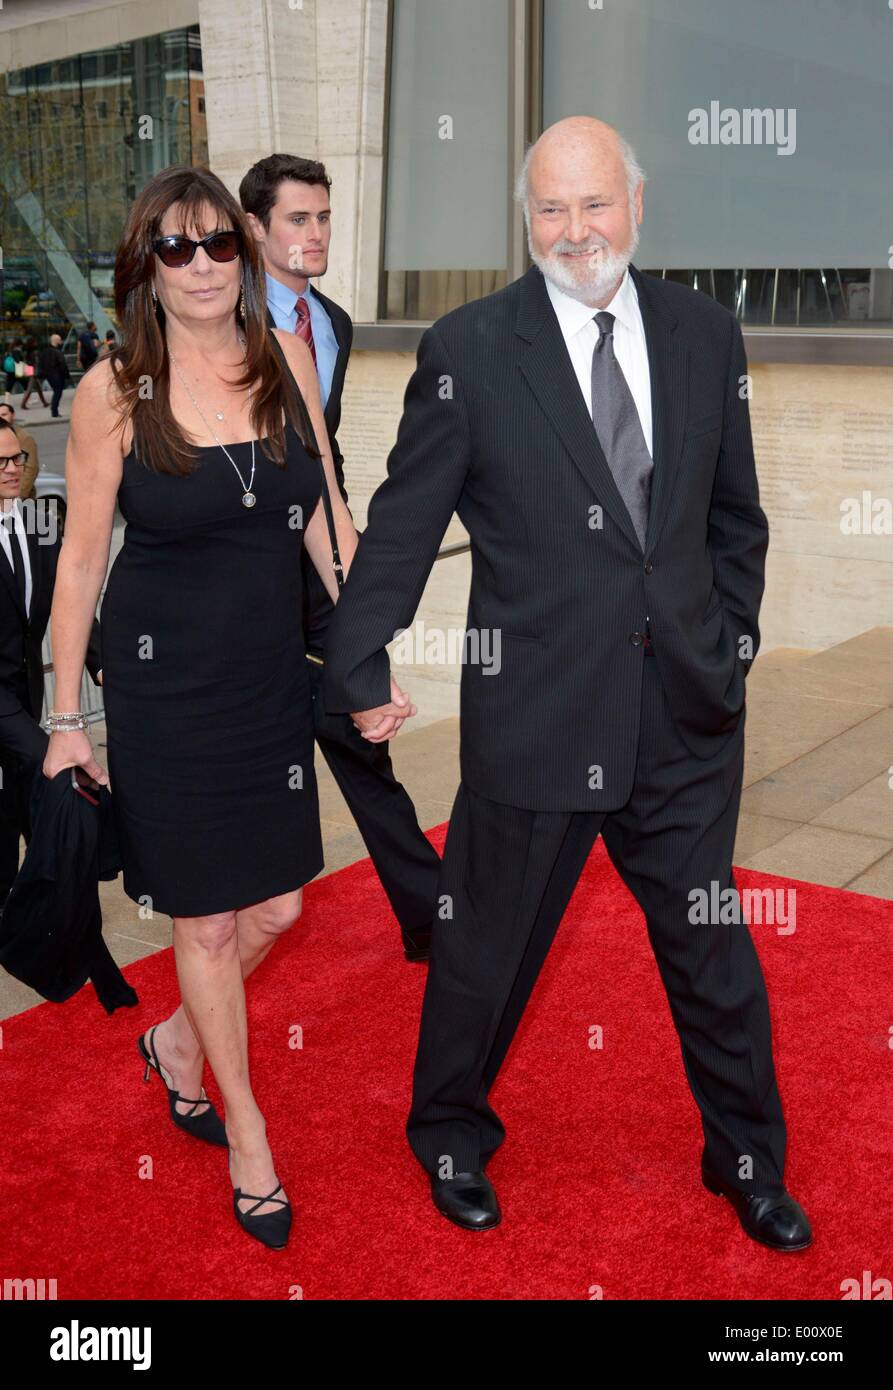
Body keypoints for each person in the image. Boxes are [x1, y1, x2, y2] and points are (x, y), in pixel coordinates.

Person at [322, 117, 813, 1251]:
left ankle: (745, 1161)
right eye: (550, 208)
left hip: (683, 718)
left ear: (636, 206)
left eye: (594, 204)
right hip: (538, 718)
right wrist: (358, 658)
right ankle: (448, 1131)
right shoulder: (470, 347)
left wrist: (725, 644)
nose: (574, 229)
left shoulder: (704, 334)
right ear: (525, 218)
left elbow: (733, 520)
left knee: (712, 954)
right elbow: (400, 531)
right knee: (484, 948)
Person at [41, 164, 403, 1250]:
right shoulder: (113, 391)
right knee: (203, 918)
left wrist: (365, 661)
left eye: (217, 246)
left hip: (263, 680)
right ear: (144, 268)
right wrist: (66, 718)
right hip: (162, 689)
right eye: (175, 248)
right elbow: (78, 565)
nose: (201, 266)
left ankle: (180, 1046)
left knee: (281, 909)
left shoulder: (286, 357)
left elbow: (329, 524)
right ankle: (245, 1128)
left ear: (243, 255)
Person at [240, 152, 439, 963]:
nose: (316, 233)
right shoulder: (219, 319)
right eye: (298, 218)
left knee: (362, 740)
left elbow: (323, 460)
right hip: (243, 576)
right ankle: (237, 915)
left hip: (320, 559)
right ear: (254, 228)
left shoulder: (333, 323)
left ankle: (430, 916)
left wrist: (350, 574)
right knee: (259, 759)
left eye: (323, 217)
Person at [0, 417, 102, 907]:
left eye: (16, 458)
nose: (12, 468)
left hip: (26, 698)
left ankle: (44, 920)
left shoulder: (41, 522)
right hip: (3, 708)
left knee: (24, 815)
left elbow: (72, 596)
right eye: (0, 462)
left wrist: (100, 663)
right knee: (50, 780)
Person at [0, 403, 39, 500]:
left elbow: (31, 468)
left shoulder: (24, 438)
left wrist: (19, 496)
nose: (12, 469)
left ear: (13, 415)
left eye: (4, 414)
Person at [37, 334, 70, 418]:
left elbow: (41, 363)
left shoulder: (44, 351)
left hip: (49, 375)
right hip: (57, 375)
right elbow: (63, 364)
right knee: (58, 392)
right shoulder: (57, 352)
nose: (61, 342)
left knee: (56, 392)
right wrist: (66, 375)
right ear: (56, 341)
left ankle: (54, 410)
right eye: (59, 340)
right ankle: (54, 411)